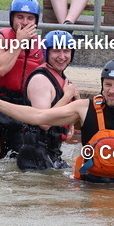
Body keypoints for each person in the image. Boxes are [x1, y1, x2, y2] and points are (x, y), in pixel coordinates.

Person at [0, 0, 45, 159]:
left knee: (21, 162)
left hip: (23, 109)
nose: (24, 22)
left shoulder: (41, 45)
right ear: (12, 18)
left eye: (30, 18)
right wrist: (19, 42)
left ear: (36, 21)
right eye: (20, 17)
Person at [16, 30, 80, 171]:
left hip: (51, 153)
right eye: (56, 51)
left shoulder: (61, 77)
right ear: (46, 53)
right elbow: (44, 122)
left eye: (66, 51)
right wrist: (67, 97)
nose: (62, 56)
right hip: (34, 155)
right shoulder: (40, 80)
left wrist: (70, 124)